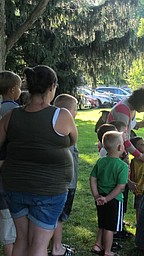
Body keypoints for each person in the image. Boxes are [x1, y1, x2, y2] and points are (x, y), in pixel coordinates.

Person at [0, 65, 78, 256]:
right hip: (49, 190)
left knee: (21, 240)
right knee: (38, 245)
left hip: (15, 186)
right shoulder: (61, 115)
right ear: (52, 87)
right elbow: (72, 139)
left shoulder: (12, 115)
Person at [90, 131, 129, 256]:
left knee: (102, 222)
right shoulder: (122, 166)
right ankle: (107, 251)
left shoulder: (100, 162)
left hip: (100, 198)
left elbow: (92, 179)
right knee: (110, 227)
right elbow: (120, 186)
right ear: (120, 147)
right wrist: (107, 198)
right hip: (114, 200)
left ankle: (97, 245)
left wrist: (97, 195)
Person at [49, 94, 79, 256]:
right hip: (66, 183)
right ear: (67, 111)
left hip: (58, 181)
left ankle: (53, 244)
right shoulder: (65, 129)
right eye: (75, 109)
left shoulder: (54, 127)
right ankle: (57, 248)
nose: (76, 113)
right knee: (59, 217)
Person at [0, 71, 21, 256]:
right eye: (20, 88)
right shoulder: (15, 112)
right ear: (13, 90)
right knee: (10, 222)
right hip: (10, 170)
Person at [107, 87, 144, 162]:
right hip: (113, 152)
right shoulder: (123, 109)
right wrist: (140, 156)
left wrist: (139, 124)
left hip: (120, 149)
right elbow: (123, 138)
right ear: (140, 101)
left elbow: (128, 125)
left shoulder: (131, 107)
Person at [129, 136, 144, 223]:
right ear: (134, 148)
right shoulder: (134, 162)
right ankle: (139, 223)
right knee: (139, 207)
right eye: (141, 144)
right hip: (139, 189)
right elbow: (131, 174)